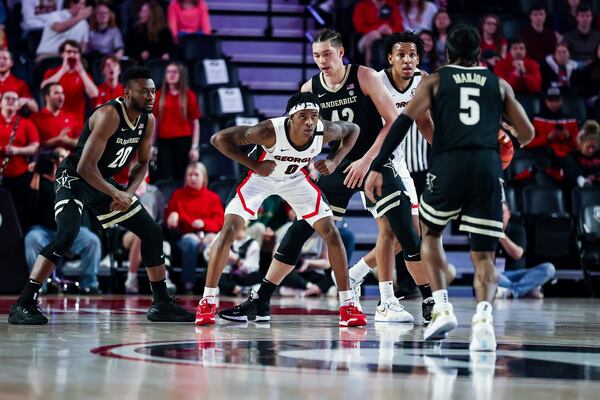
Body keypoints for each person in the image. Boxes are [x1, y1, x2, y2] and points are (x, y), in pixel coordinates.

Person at [219, 29, 427, 325]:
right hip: (338, 165)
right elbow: (293, 134)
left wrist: (367, 161)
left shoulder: (365, 76)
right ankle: (261, 299)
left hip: (378, 161)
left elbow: (393, 122)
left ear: (341, 52)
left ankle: (392, 300)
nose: (322, 61)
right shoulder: (309, 87)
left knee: (398, 229)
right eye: (316, 55)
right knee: (299, 230)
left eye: (327, 54)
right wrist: (312, 161)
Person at [364, 24, 534, 351]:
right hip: (486, 165)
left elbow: (402, 124)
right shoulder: (498, 85)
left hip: (447, 163)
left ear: (446, 54)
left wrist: (377, 165)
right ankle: (483, 319)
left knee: (429, 233)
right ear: (480, 54)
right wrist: (502, 131)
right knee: (484, 252)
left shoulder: (434, 81)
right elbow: (526, 134)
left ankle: (441, 306)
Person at [8, 67, 194, 325]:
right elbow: (85, 167)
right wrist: (116, 191)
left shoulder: (147, 121)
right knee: (66, 235)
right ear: (127, 93)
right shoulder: (109, 115)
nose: (151, 97)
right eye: (144, 92)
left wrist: (127, 194)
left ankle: (161, 303)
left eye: (153, 92)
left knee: (151, 232)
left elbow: (142, 164)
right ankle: (24, 303)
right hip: (74, 179)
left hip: (103, 182)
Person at [195, 91, 367, 327]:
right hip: (259, 178)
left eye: (313, 116)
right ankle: (207, 301)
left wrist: (335, 161)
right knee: (230, 230)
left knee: (331, 230)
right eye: (303, 116)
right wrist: (253, 164)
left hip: (294, 178)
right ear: (290, 118)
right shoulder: (267, 131)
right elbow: (218, 139)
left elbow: (353, 129)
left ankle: (347, 305)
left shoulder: (323, 130)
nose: (309, 122)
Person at [345, 31, 436, 324]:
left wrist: (446, 153)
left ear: (418, 58)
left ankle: (355, 275)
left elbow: (423, 121)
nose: (407, 60)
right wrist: (367, 161)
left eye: (412, 55)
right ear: (390, 58)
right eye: (401, 54)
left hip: (401, 164)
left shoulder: (422, 82)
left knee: (410, 234)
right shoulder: (376, 81)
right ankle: (386, 302)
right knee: (387, 228)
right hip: (373, 161)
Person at [25, 148, 102, 294]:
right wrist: (36, 172)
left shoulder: (71, 177)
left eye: (64, 157)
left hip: (67, 230)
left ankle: (89, 284)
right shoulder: (39, 178)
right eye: (58, 157)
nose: (61, 160)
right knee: (31, 239)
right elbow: (31, 202)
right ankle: (38, 286)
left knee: (92, 241)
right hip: (44, 230)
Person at [166, 162, 224, 293]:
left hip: (207, 235)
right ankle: (188, 283)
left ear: (204, 177)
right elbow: (170, 221)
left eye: (196, 175)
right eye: (189, 175)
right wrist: (172, 217)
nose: (192, 178)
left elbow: (219, 221)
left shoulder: (212, 197)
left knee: (214, 242)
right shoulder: (178, 195)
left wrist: (204, 224)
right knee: (191, 241)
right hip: (185, 236)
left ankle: (212, 283)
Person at [123, 174, 177, 294]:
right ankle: (132, 277)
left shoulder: (155, 192)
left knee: (154, 237)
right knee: (142, 233)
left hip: (152, 231)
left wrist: (150, 219)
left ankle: (164, 278)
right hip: (128, 233)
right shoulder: (123, 190)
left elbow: (161, 218)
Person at [496, 202, 556, 299]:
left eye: (502, 212)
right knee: (484, 274)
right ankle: (526, 289)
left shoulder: (518, 230)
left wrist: (501, 236)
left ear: (509, 214)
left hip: (520, 275)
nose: (499, 216)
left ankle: (512, 291)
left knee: (549, 268)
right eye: (496, 213)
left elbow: (517, 254)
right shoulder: (487, 233)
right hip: (499, 276)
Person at [152, 62, 201, 181]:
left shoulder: (189, 95)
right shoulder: (159, 95)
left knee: (182, 176)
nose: (171, 75)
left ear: (181, 75)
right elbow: (155, 122)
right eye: (169, 72)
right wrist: (151, 145)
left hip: (183, 142)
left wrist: (194, 147)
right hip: (164, 142)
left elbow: (195, 123)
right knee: (163, 176)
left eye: (175, 72)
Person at [0, 91, 40, 230]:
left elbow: (35, 146)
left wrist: (17, 151)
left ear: (18, 105)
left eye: (14, 99)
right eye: (7, 98)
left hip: (19, 176)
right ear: (1, 102)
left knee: (18, 213)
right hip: (1, 177)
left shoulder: (26, 123)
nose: (10, 101)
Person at [41, 40, 99, 126]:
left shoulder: (84, 75)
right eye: (68, 52)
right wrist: (63, 70)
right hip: (54, 120)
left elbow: (94, 94)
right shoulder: (52, 72)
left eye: (75, 52)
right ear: (62, 54)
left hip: (76, 121)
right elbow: (44, 87)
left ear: (79, 55)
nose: (72, 55)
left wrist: (81, 72)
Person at [352, 0, 404, 67]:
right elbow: (359, 27)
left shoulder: (392, 6)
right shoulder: (362, 6)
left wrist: (391, 30)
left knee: (395, 40)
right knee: (375, 35)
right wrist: (378, 30)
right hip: (365, 39)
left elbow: (400, 27)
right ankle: (370, 69)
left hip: (389, 38)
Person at [31, 83, 80, 150]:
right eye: (56, 93)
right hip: (44, 158)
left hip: (69, 159)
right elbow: (34, 146)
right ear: (47, 97)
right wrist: (56, 140)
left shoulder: (71, 117)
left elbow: (81, 143)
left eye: (62, 93)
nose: (61, 96)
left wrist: (68, 141)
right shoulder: (35, 118)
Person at [563, 120, 600, 189]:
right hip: (579, 188)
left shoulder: (598, 154)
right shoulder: (572, 156)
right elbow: (572, 177)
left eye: (593, 147)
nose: (591, 150)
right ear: (581, 144)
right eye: (588, 147)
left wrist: (595, 177)